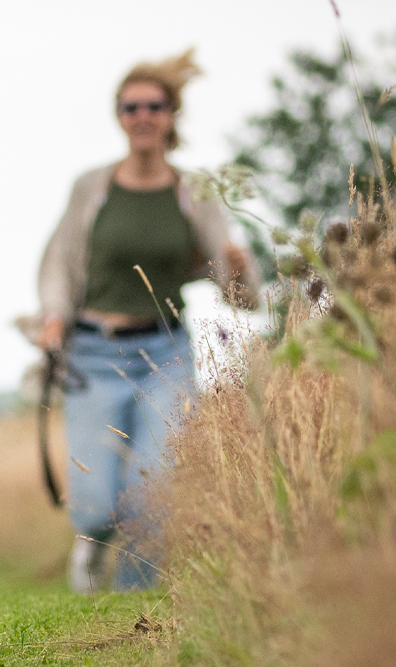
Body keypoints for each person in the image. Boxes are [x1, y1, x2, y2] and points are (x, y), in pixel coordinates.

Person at [35, 50, 258, 592]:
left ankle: (130, 615)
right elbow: (62, 263)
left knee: (153, 491)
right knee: (95, 509)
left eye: (154, 106)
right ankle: (90, 548)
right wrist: (53, 320)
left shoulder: (193, 192)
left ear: (171, 115)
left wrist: (238, 270)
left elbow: (237, 293)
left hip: (166, 355)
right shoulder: (92, 187)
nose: (142, 116)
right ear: (118, 116)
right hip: (92, 353)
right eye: (130, 106)